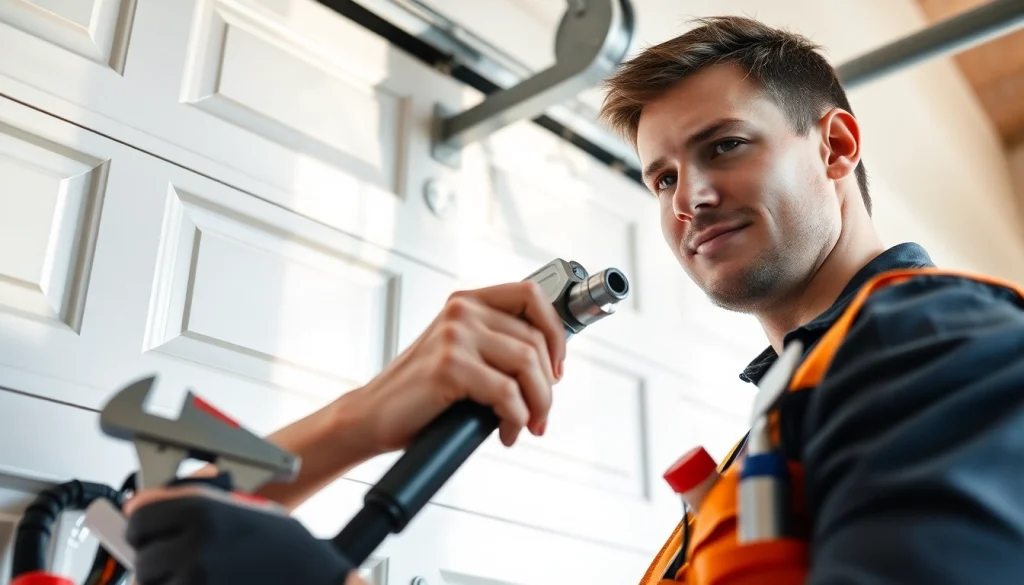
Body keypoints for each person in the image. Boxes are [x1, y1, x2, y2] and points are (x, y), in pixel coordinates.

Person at [124, 14, 1024, 585]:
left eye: (723, 147)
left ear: (834, 147)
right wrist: (367, 414)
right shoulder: (788, 409)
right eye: (662, 174)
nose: (688, 199)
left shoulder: (931, 336)